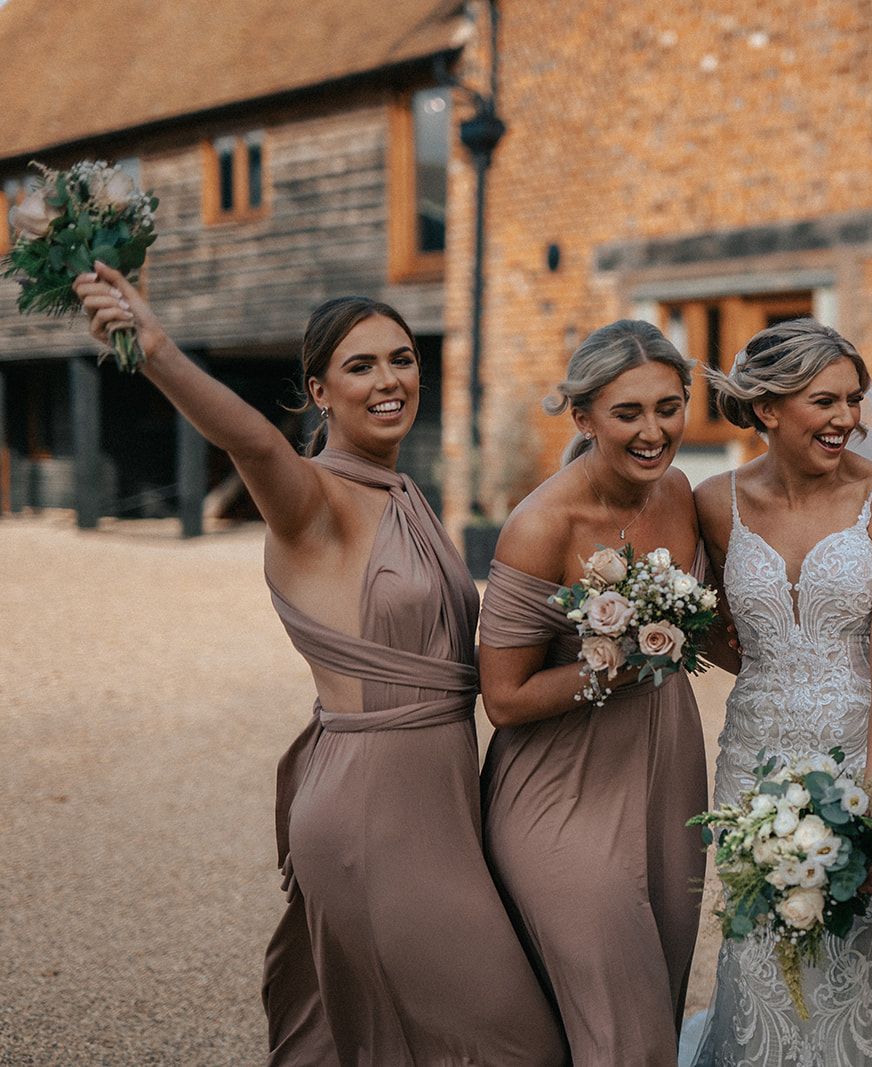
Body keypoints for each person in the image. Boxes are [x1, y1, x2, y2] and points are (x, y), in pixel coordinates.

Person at [71, 266, 564, 1065]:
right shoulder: (313, 499)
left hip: (437, 805)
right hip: (371, 812)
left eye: (401, 358)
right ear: (319, 390)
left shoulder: (404, 492)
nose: (389, 379)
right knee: (517, 1045)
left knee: (390, 1035)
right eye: (360, 365)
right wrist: (155, 348)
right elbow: (252, 441)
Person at [689, 318, 872, 1066]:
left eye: (853, 400)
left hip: (868, 761)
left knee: (855, 974)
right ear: (768, 409)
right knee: (756, 962)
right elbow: (706, 627)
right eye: (825, 402)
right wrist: (771, 674)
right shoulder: (710, 501)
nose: (849, 419)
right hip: (751, 766)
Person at [477, 320, 711, 1067]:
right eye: (629, 412)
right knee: (625, 1027)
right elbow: (503, 698)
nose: (655, 431)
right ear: (583, 418)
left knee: (659, 997)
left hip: (667, 774)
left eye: (668, 407)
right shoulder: (539, 525)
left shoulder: (679, 493)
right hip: (560, 793)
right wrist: (614, 660)